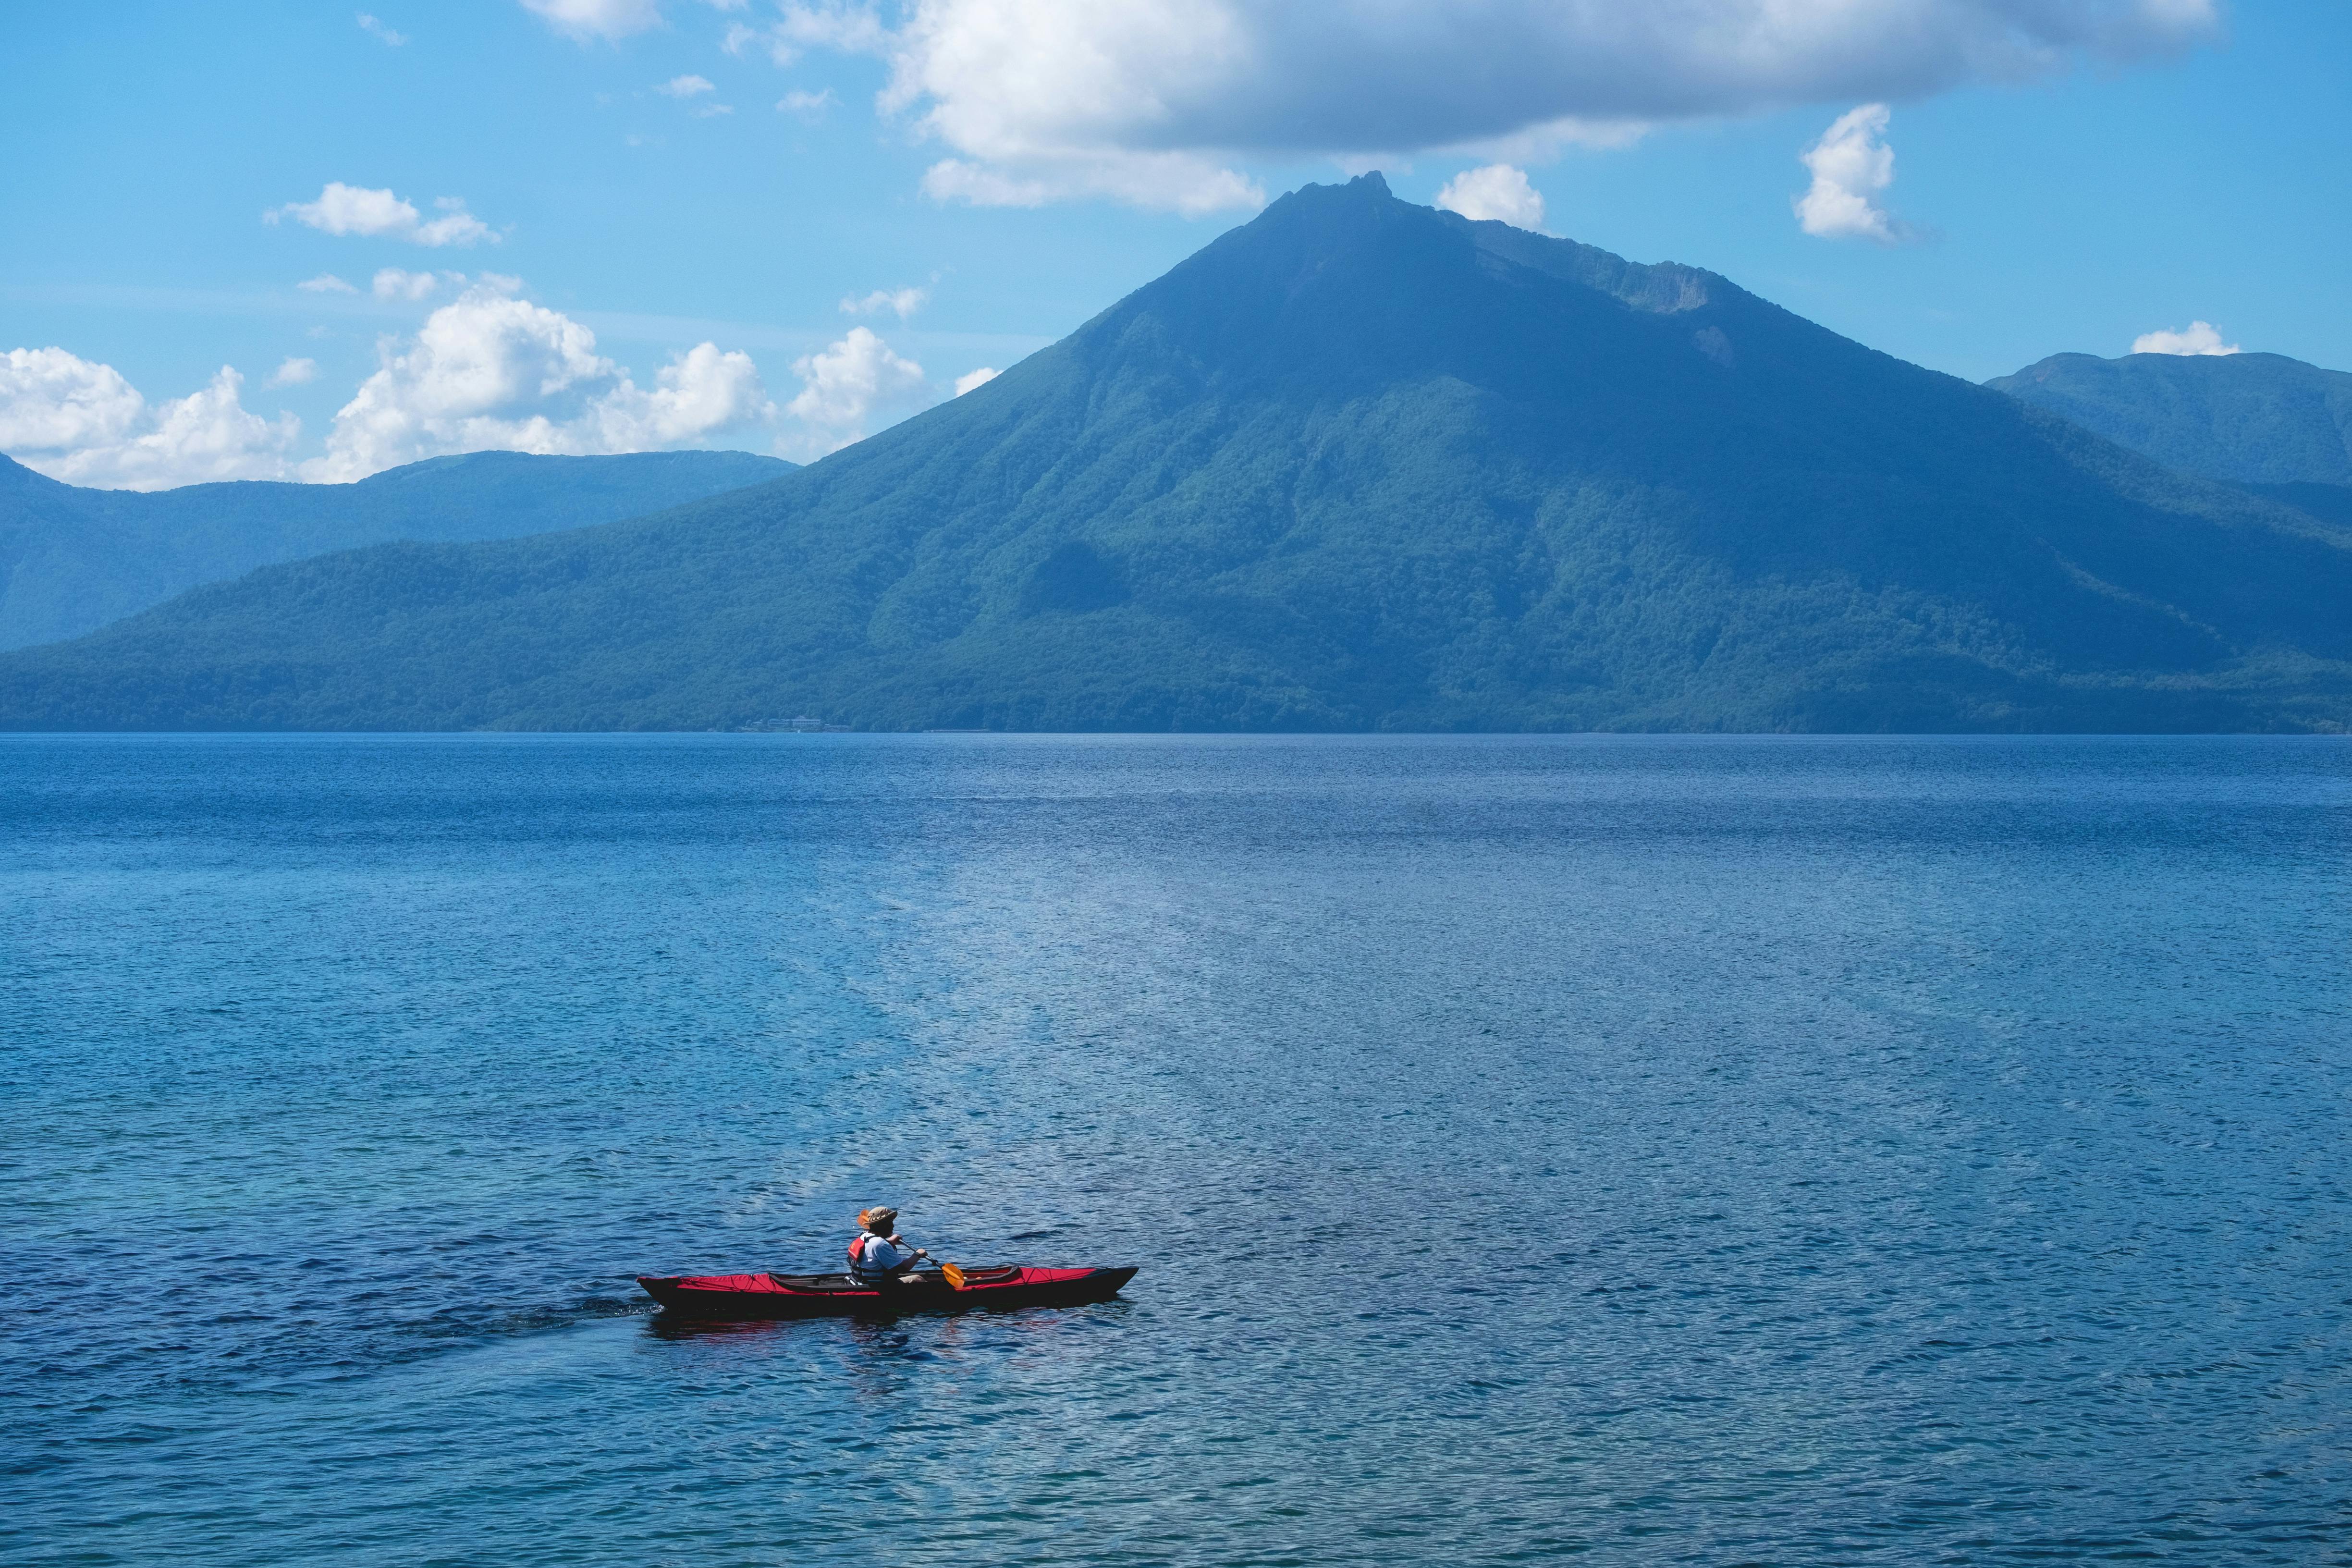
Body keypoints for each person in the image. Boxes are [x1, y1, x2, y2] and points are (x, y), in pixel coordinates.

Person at [846, 1206, 931, 1287]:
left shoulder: (864, 1236)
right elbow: (904, 1268)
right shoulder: (880, 1244)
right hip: (878, 1286)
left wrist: (890, 1242)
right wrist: (918, 1254)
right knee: (918, 1279)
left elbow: (872, 1249)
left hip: (860, 1281)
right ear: (883, 1225)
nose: (893, 1226)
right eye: (890, 1223)